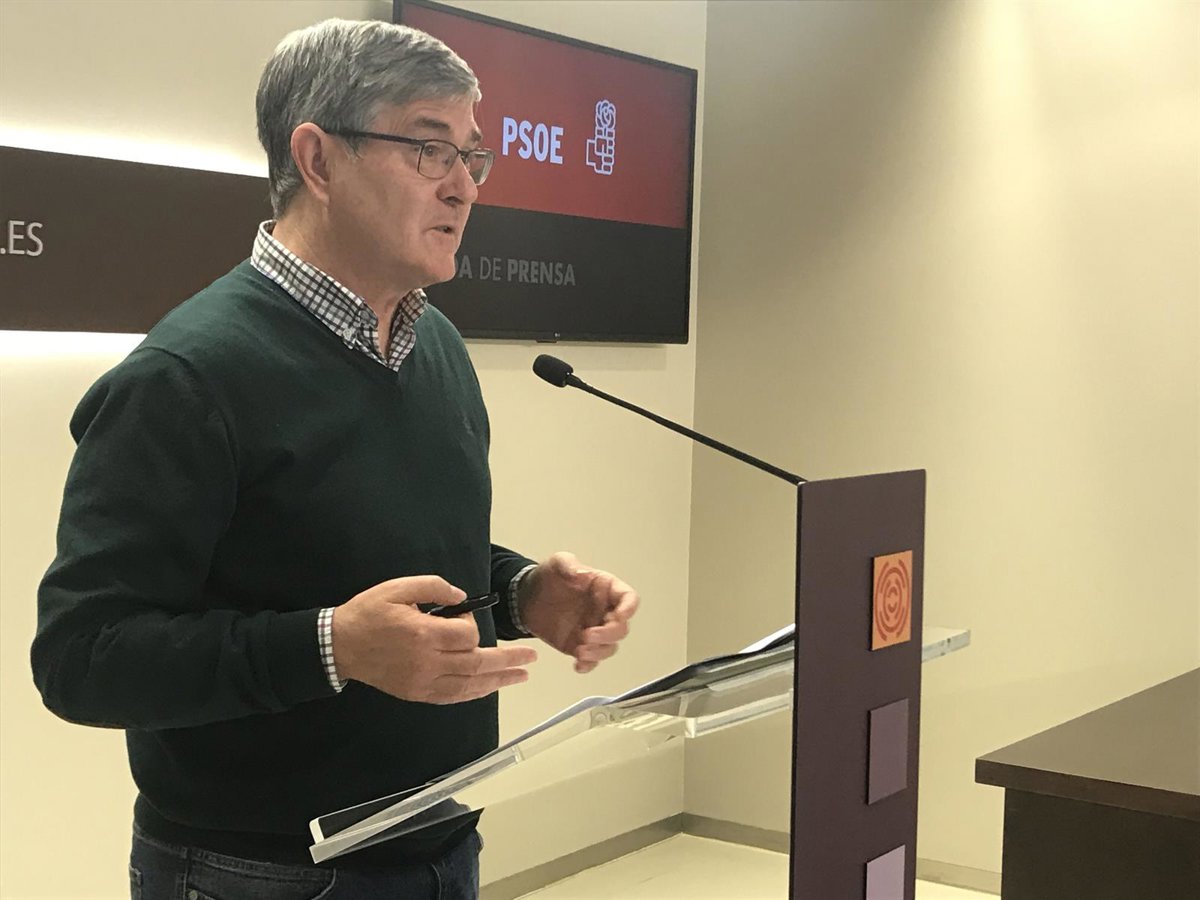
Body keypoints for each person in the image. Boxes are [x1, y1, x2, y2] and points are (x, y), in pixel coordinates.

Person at [30, 18, 639, 900]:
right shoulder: (186, 376)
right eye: (430, 150)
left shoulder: (436, 347)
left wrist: (518, 593)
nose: (465, 186)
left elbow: (377, 560)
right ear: (318, 160)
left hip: (443, 843)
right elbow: (83, 657)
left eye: (473, 155)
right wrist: (331, 648)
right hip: (254, 871)